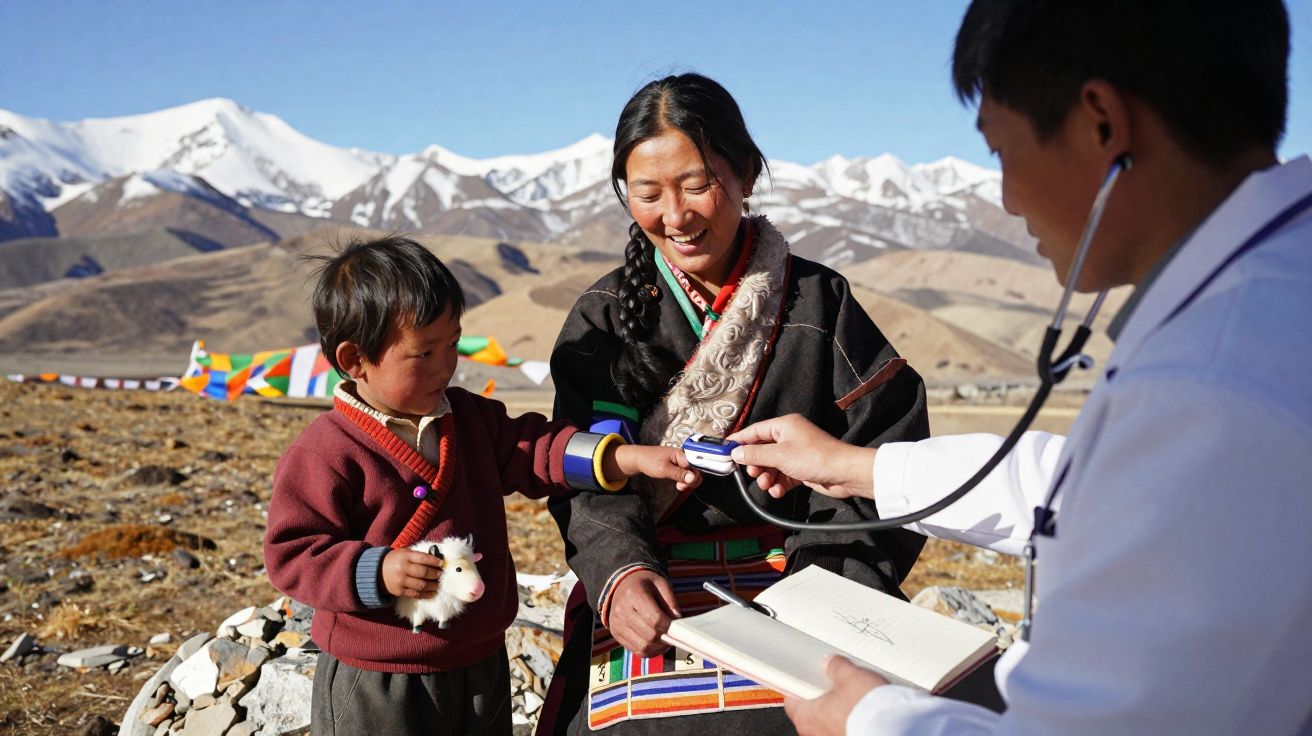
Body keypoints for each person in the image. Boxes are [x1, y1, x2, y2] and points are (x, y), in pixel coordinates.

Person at [728, 1, 1312, 733]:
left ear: (1103, 123)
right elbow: (1083, 484)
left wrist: (867, 719)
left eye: (1000, 151)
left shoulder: (1217, 383)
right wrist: (851, 467)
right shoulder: (1270, 300)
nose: (1005, 197)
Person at [538, 73, 932, 735]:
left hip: (805, 576)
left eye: (697, 184)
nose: (677, 216)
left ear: (747, 174)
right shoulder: (603, 319)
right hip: (650, 581)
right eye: (648, 193)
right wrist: (618, 573)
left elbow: (888, 448)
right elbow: (580, 469)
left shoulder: (817, 304)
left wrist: (831, 589)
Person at [263, 235, 701, 736]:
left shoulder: (469, 417)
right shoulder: (326, 451)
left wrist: (621, 456)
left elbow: (535, 449)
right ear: (355, 359)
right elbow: (292, 553)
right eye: (422, 353)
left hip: (479, 662)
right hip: (378, 678)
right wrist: (375, 571)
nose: (445, 366)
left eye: (451, 345)